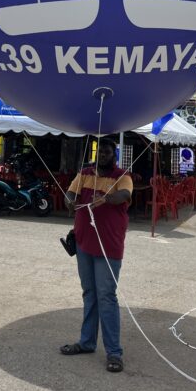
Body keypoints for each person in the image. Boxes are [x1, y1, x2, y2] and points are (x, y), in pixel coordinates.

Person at [60, 137, 132, 373]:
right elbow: (70, 193)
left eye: (108, 152)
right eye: (100, 151)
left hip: (108, 247)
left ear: (114, 154)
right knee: (89, 293)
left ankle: (114, 352)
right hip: (83, 244)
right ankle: (87, 342)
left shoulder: (122, 177)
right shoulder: (85, 174)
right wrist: (69, 201)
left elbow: (124, 196)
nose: (103, 155)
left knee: (106, 296)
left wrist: (106, 199)